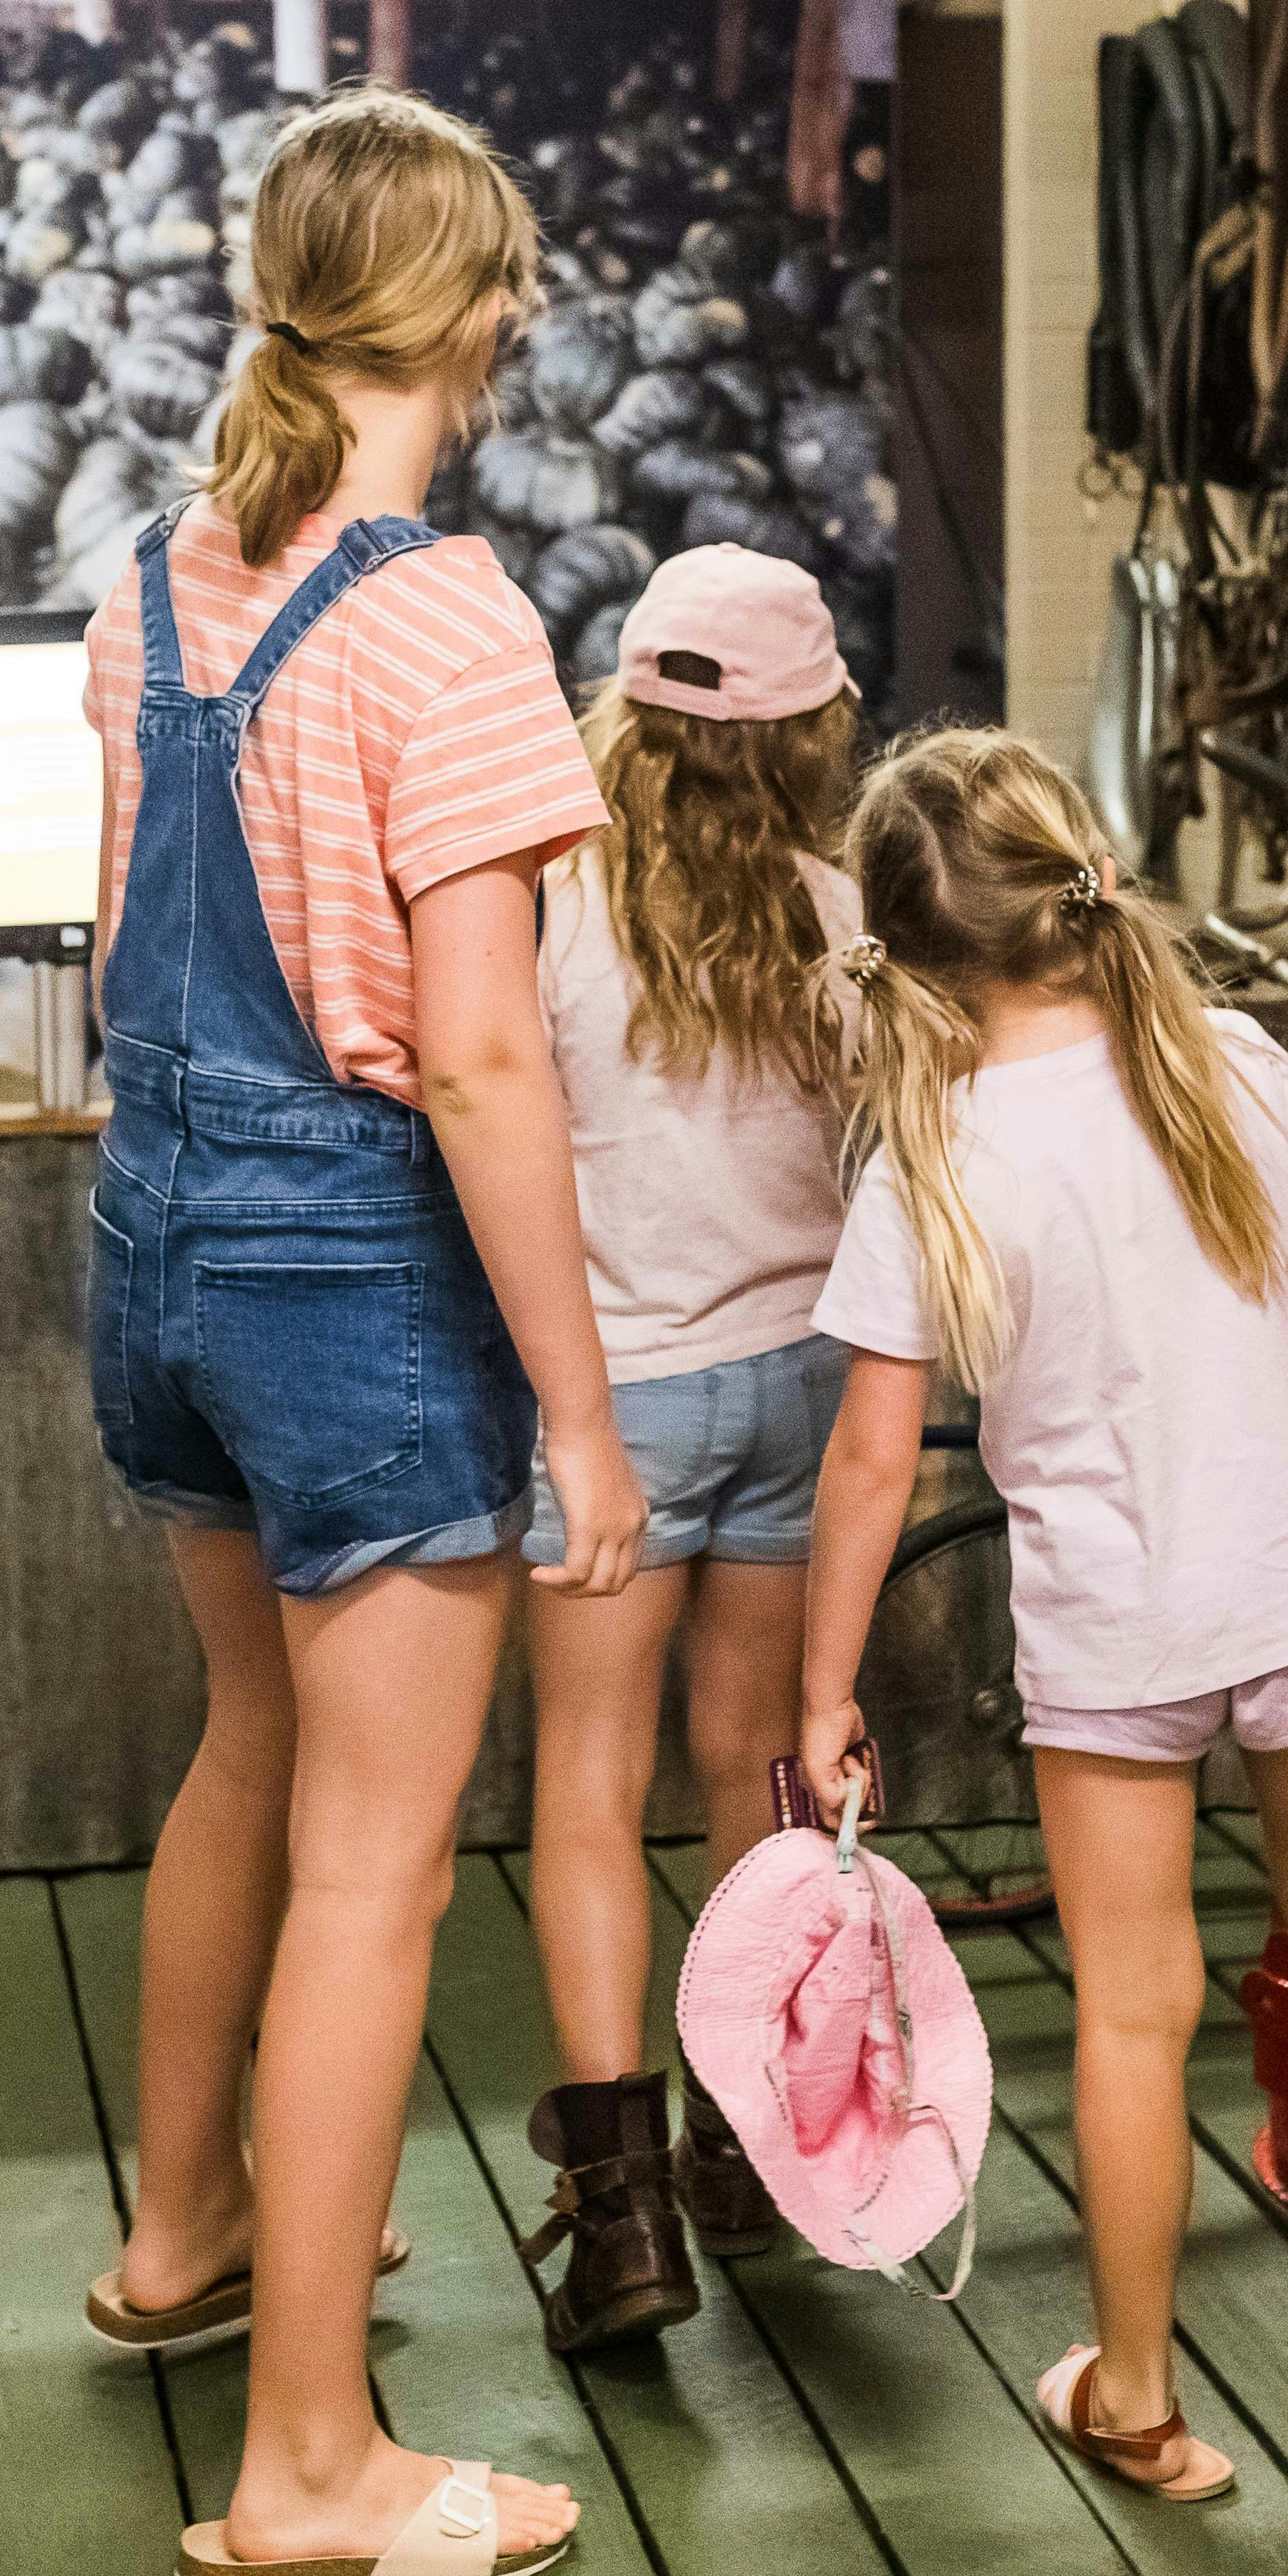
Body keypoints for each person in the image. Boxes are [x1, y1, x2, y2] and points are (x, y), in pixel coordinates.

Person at [69, 85, 638, 2576]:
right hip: (360, 1279)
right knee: (378, 1872)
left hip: (160, 1247)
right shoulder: (451, 620)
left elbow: (132, 948)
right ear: (483, 312)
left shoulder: (157, 580)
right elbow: (489, 1058)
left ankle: (181, 2231)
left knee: (253, 1749)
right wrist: (591, 1417)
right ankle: (311, 2465)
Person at [794, 728, 1288, 2502]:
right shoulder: (1214, 1055)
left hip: (1117, 1634)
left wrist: (828, 1683)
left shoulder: (930, 1147)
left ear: (905, 956)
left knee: (1135, 2010)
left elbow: (864, 1462)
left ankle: (1136, 2393)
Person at [507, 545, 861, 2354]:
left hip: (617, 1402)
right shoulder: (837, 904)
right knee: (754, 1771)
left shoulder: (553, 896)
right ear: (806, 730)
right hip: (800, 1384)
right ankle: (743, 2141)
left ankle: (626, 2219)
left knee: (588, 1781)